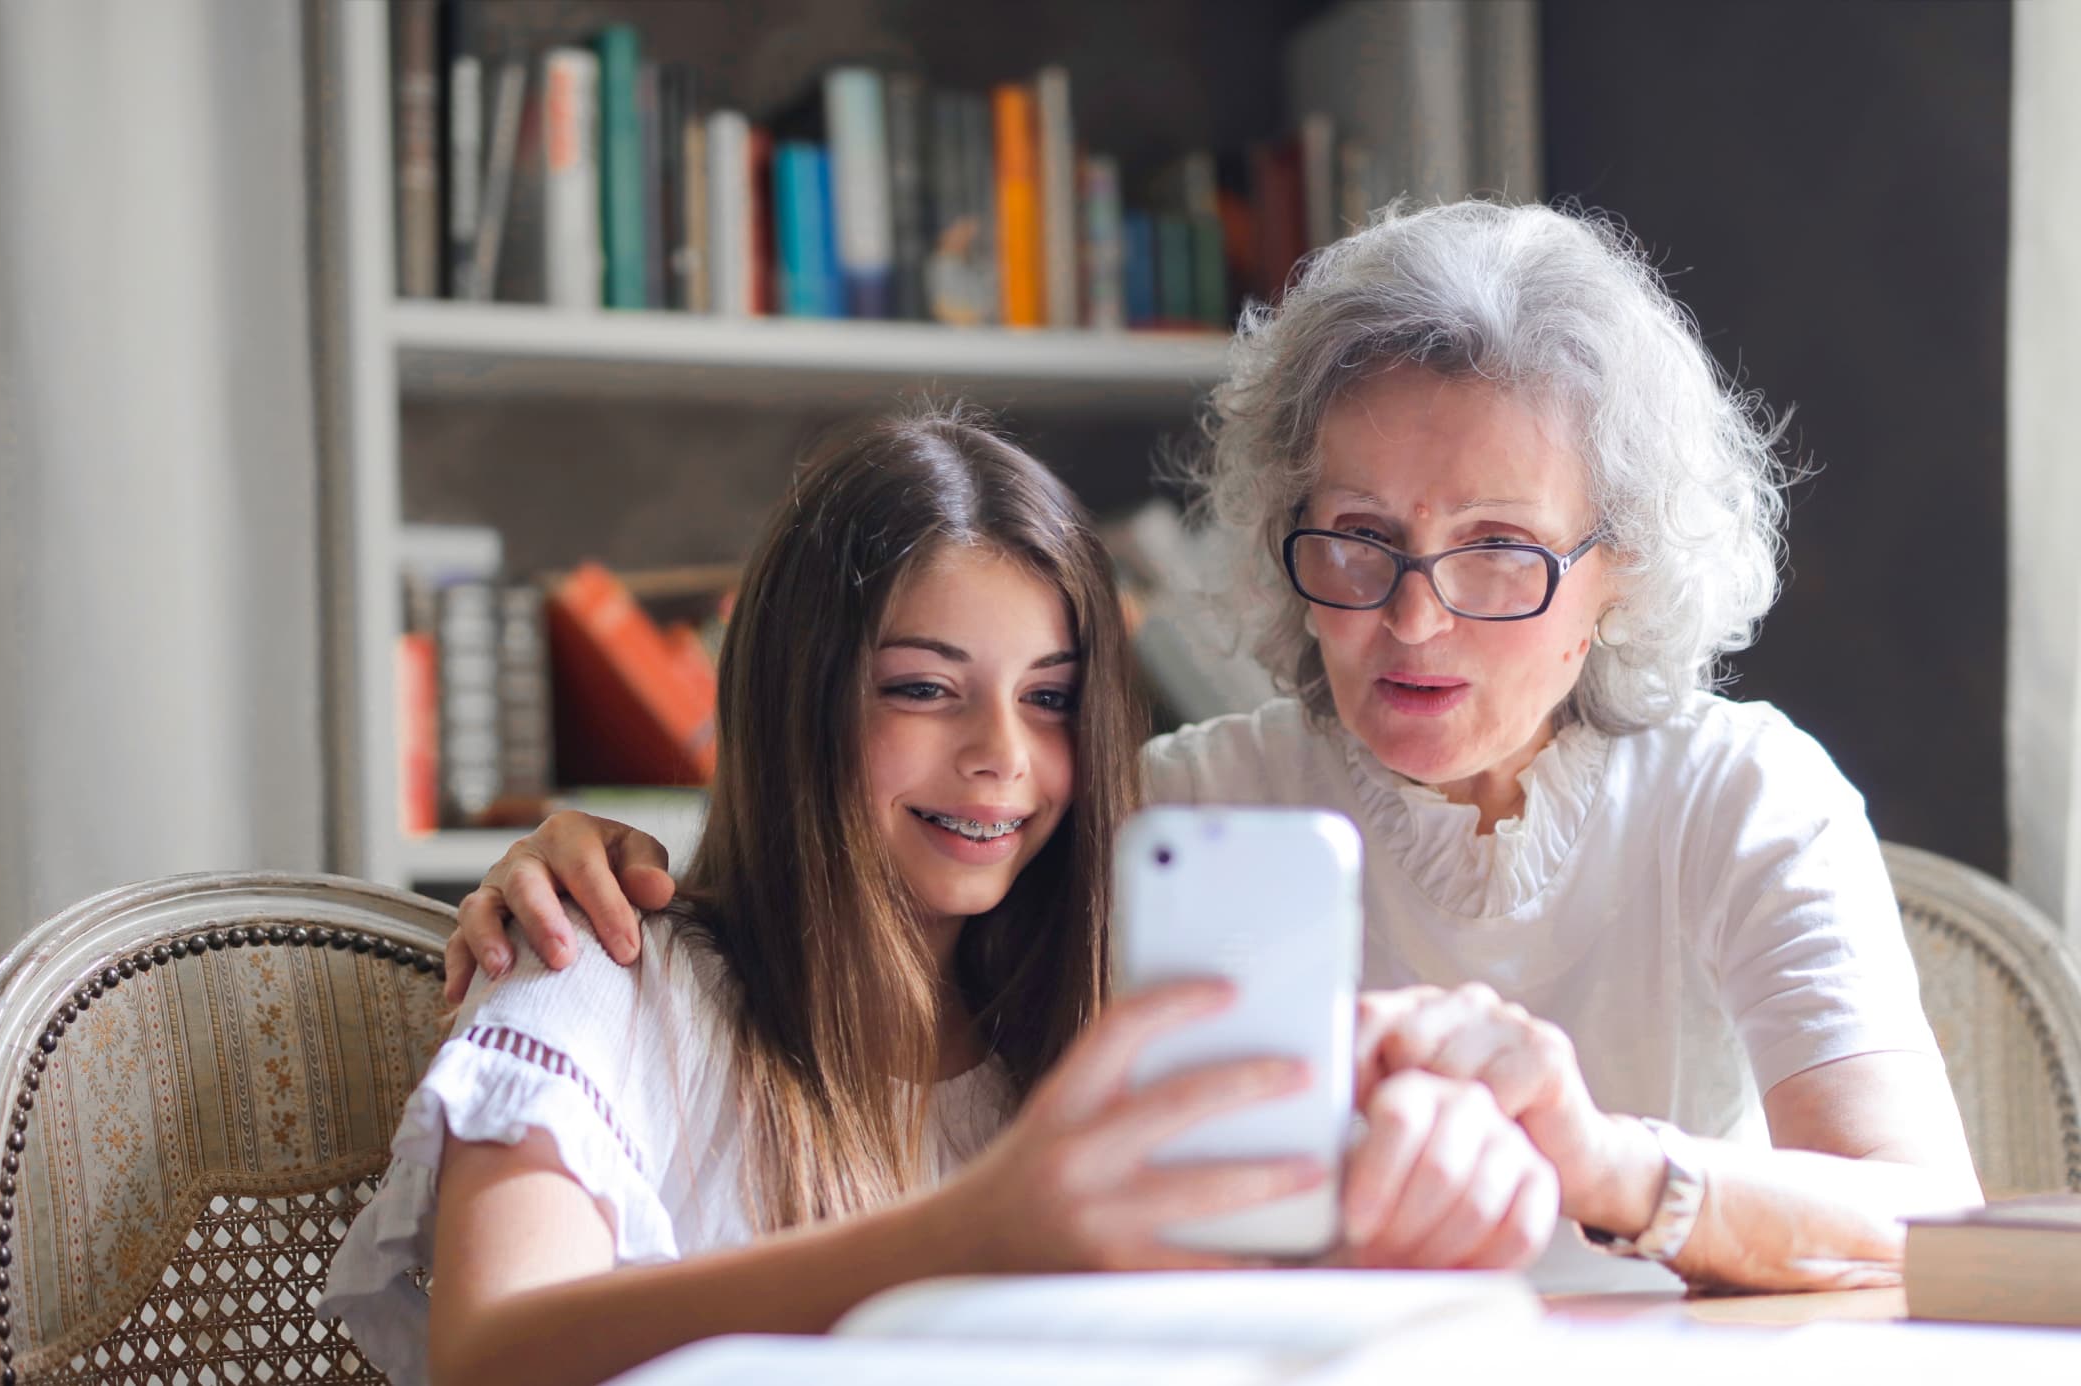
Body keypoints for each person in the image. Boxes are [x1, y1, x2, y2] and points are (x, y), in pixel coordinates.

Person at [444, 202, 1983, 1293]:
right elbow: (860, 919)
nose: (1415, 620)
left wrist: (1606, 1163)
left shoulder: (1741, 790)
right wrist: (590, 860)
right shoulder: (1171, 812)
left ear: (1620, 570)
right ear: (1280, 528)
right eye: (1360, 539)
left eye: (1501, 552)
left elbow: (1925, 1219)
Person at [321, 408, 1556, 1386]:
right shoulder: (596, 971)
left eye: (1051, 697)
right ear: (798, 698)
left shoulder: (1082, 1027)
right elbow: (493, 1358)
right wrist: (973, 1235)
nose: (1001, 758)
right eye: (922, 688)